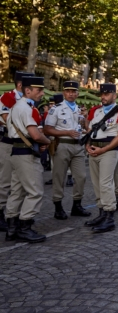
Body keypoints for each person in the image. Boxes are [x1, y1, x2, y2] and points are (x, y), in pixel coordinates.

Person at [5, 76, 51, 243]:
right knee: (35, 191)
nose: (42, 93)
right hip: (26, 153)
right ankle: (24, 227)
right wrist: (48, 141)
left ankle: (11, 228)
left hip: (17, 151)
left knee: (17, 191)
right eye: (39, 90)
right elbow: (35, 134)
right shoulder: (24, 108)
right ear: (27, 90)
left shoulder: (16, 107)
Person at [84, 83, 118, 233]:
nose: (103, 97)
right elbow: (90, 130)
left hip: (109, 150)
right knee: (96, 183)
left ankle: (109, 217)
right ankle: (101, 213)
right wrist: (88, 145)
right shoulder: (95, 111)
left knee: (105, 182)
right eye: (102, 94)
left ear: (114, 96)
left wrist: (103, 149)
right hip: (94, 149)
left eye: (107, 94)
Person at [43, 81, 91, 220]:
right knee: (59, 177)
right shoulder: (56, 109)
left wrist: (86, 119)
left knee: (81, 176)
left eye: (73, 91)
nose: (71, 94)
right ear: (64, 93)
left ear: (77, 93)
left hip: (78, 146)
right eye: (68, 91)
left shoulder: (79, 109)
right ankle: (58, 206)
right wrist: (66, 132)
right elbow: (47, 129)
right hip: (62, 144)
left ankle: (77, 204)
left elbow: (86, 128)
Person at [0, 71, 34, 232]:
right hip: (9, 142)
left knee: (19, 183)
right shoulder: (8, 98)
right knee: (5, 180)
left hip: (25, 144)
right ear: (21, 85)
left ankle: (14, 215)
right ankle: (1, 212)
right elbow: (7, 120)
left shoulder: (28, 102)